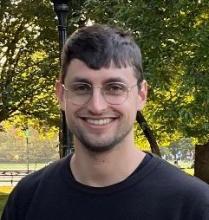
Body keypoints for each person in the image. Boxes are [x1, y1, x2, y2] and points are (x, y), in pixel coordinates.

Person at [2, 24, 209, 220]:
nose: (97, 106)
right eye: (82, 87)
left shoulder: (193, 206)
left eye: (115, 88)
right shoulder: (27, 199)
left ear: (141, 95)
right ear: (60, 95)